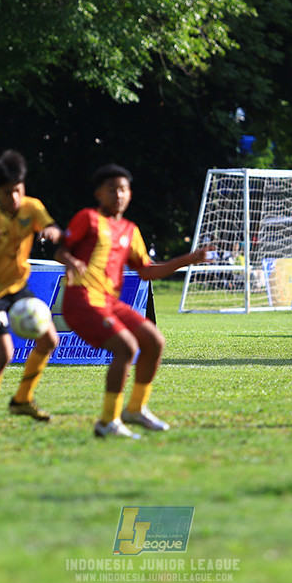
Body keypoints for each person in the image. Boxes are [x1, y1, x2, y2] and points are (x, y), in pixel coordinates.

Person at [56, 163, 213, 439]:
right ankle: (108, 421)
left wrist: (187, 259)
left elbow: (147, 270)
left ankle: (136, 409)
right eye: (112, 189)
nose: (118, 194)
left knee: (154, 341)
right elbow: (60, 251)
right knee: (127, 347)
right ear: (99, 194)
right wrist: (70, 260)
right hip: (81, 299)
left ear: (130, 194)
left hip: (107, 301)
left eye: (123, 189)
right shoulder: (88, 218)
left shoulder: (130, 229)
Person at [0, 149, 63, 437]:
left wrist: (53, 233)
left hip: (19, 287)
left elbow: (51, 227)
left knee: (49, 340)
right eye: (8, 193)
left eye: (19, 191)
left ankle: (22, 399)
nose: (15, 198)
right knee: (4, 354)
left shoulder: (32, 207)